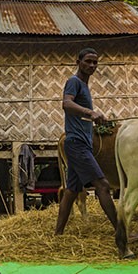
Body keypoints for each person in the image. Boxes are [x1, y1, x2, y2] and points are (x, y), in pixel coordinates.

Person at [55, 47, 119, 235]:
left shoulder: (84, 86)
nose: (92, 65)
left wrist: (98, 118)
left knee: (71, 191)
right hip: (76, 144)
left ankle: (57, 234)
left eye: (95, 62)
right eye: (88, 61)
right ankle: (121, 232)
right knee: (103, 185)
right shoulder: (74, 82)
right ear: (78, 62)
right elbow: (66, 103)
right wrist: (91, 112)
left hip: (82, 143)